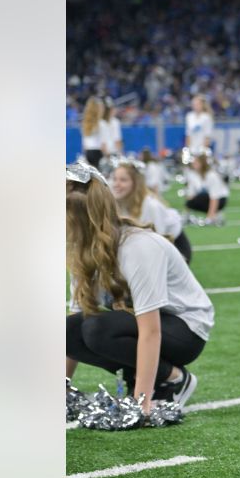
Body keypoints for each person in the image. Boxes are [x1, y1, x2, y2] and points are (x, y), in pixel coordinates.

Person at [65, 163, 210, 411]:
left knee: (96, 329)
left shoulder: (136, 247)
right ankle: (145, 375)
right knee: (70, 329)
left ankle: (174, 378)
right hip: (138, 321)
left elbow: (150, 330)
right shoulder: (82, 249)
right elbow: (75, 318)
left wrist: (140, 401)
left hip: (185, 327)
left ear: (81, 220)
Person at [110, 159, 192, 264]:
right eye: (115, 179)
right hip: (147, 246)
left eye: (123, 180)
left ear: (136, 183)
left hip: (175, 248)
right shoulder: (119, 202)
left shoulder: (151, 206)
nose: (116, 184)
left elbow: (160, 244)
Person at [182, 151, 229, 225]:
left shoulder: (211, 175)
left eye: (196, 162)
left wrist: (209, 217)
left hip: (220, 199)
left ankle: (214, 215)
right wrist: (186, 212)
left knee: (202, 197)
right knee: (190, 202)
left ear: (202, 164)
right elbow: (190, 195)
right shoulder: (194, 175)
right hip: (206, 197)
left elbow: (214, 198)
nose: (193, 164)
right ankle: (189, 217)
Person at [80, 96, 108, 169]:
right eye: (101, 107)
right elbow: (103, 144)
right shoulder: (101, 124)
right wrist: (107, 156)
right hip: (98, 153)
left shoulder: (85, 124)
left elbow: (84, 145)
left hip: (88, 153)